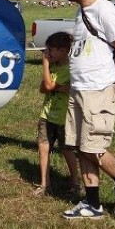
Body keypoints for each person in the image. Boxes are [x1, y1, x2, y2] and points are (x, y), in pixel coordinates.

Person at [60, 0, 115, 220]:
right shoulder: (82, 11)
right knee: (81, 148)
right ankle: (92, 204)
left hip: (98, 89)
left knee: (94, 148)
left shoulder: (105, 11)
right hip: (79, 88)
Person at [34, 31, 81, 198]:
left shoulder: (69, 69)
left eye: (50, 50)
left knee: (67, 150)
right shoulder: (53, 66)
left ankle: (75, 182)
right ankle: (45, 184)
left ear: (63, 51)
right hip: (47, 116)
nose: (47, 53)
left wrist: (45, 64)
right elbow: (43, 88)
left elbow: (48, 84)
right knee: (43, 148)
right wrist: (57, 87)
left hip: (64, 118)